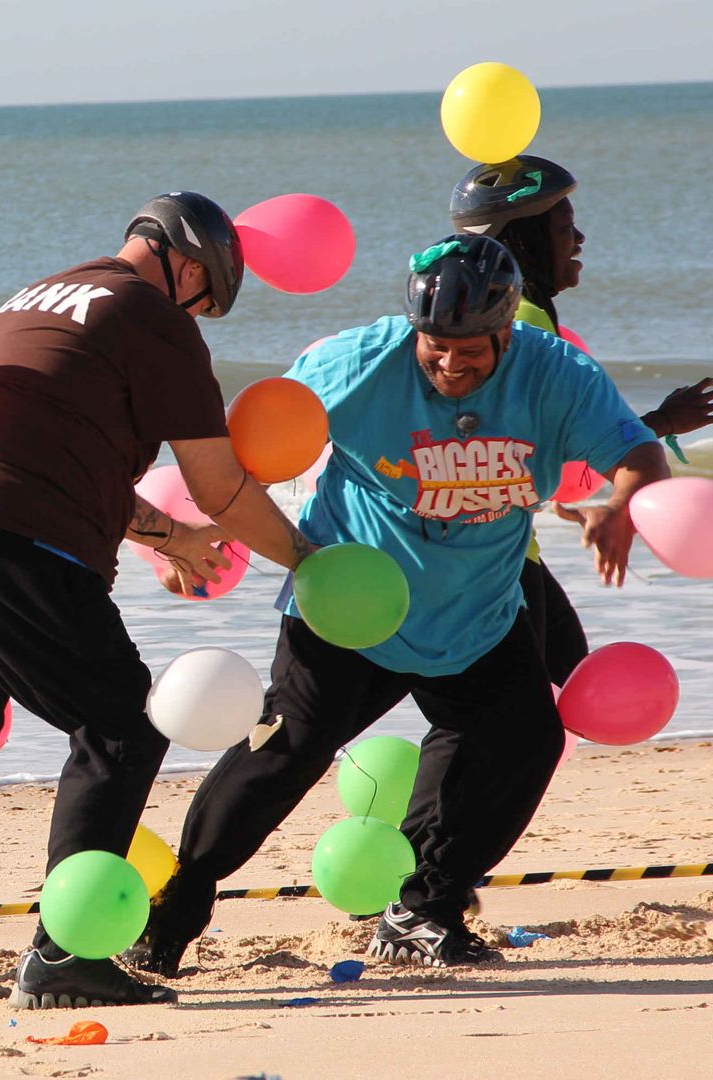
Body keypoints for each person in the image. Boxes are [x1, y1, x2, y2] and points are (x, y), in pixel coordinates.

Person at [133, 235, 669, 974]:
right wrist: (180, 538)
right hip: (353, 607)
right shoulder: (359, 363)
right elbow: (234, 453)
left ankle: (422, 909)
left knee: (521, 741)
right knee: (285, 751)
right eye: (436, 347)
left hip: (475, 612)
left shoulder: (555, 375)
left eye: (471, 350)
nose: (451, 364)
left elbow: (640, 454)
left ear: (507, 329)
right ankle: (173, 913)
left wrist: (620, 502)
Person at [0, 192, 320, 1009]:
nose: (201, 316)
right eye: (207, 299)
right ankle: (67, 953)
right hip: (1, 535)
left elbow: (51, 453)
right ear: (188, 264)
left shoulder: (39, 296)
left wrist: (169, 537)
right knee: (124, 722)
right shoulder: (155, 317)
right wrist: (311, 562)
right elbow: (221, 485)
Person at [449, 155, 713, 680]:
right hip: (483, 554)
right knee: (528, 711)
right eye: (565, 226)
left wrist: (656, 423)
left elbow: (545, 443)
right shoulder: (519, 324)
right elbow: (533, 452)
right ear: (524, 243)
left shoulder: (523, 315)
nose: (581, 238)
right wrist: (653, 427)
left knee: (551, 690)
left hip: (494, 545)